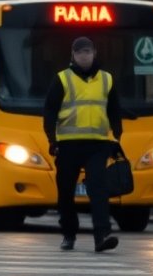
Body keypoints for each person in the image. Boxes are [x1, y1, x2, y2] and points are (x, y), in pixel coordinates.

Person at [43, 36, 124, 253]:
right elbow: (50, 111)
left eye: (87, 52)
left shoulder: (107, 79)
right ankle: (69, 233)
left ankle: (102, 235)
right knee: (65, 192)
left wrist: (116, 138)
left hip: (97, 145)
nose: (84, 56)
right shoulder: (62, 79)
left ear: (94, 53)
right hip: (68, 146)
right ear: (73, 55)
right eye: (80, 52)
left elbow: (114, 110)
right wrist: (52, 140)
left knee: (98, 189)